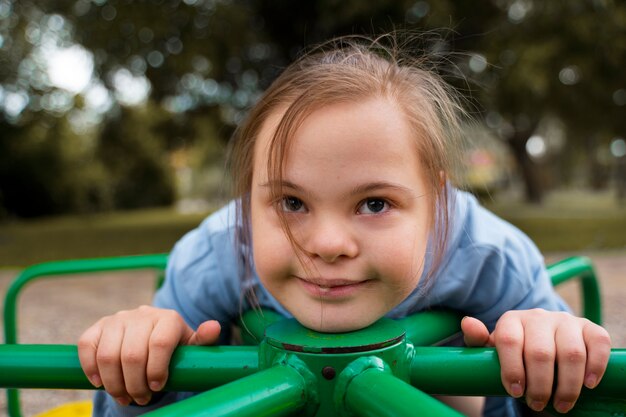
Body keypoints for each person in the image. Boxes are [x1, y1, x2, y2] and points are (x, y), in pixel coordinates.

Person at [78, 34, 611, 417]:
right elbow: (139, 395)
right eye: (290, 202)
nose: (328, 244)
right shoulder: (217, 253)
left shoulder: (491, 254)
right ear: (248, 199)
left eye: (374, 204)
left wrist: (548, 357)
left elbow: (562, 372)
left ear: (437, 200)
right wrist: (134, 366)